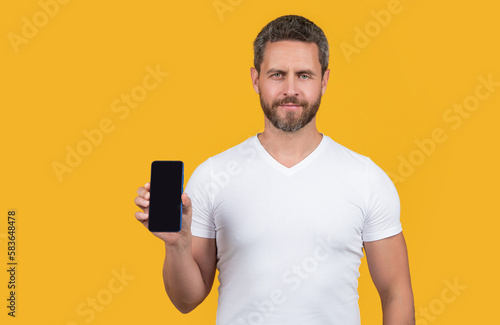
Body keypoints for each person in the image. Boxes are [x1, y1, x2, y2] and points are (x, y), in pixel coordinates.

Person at [135, 15, 415, 325]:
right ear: (256, 79)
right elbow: (186, 301)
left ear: (324, 80)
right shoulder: (214, 175)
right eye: (277, 74)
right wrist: (178, 246)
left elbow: (396, 293)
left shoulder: (366, 179)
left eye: (304, 75)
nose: (291, 89)